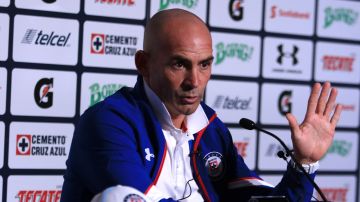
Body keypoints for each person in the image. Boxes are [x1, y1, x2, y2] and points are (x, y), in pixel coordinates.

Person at [61, 9, 342, 202]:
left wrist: (303, 163)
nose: (194, 81)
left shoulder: (209, 126)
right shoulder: (109, 122)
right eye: (179, 64)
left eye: (204, 64)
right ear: (143, 64)